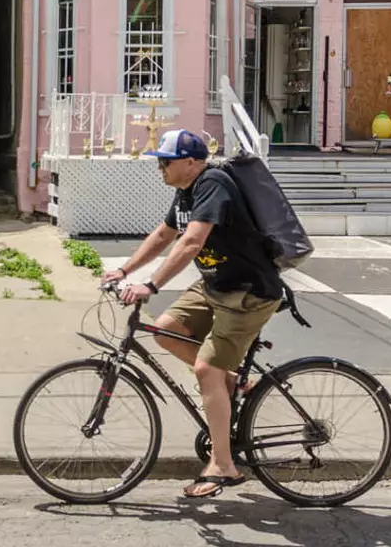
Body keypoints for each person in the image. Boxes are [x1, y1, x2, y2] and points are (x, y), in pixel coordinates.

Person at [100, 129, 285, 500]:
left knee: (205, 370)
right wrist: (124, 271)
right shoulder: (185, 191)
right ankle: (232, 381)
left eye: (166, 161)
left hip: (247, 292)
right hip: (216, 285)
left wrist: (150, 286)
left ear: (190, 162)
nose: (161, 168)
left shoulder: (213, 183)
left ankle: (224, 465)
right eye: (160, 162)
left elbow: (192, 241)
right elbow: (164, 235)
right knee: (165, 330)